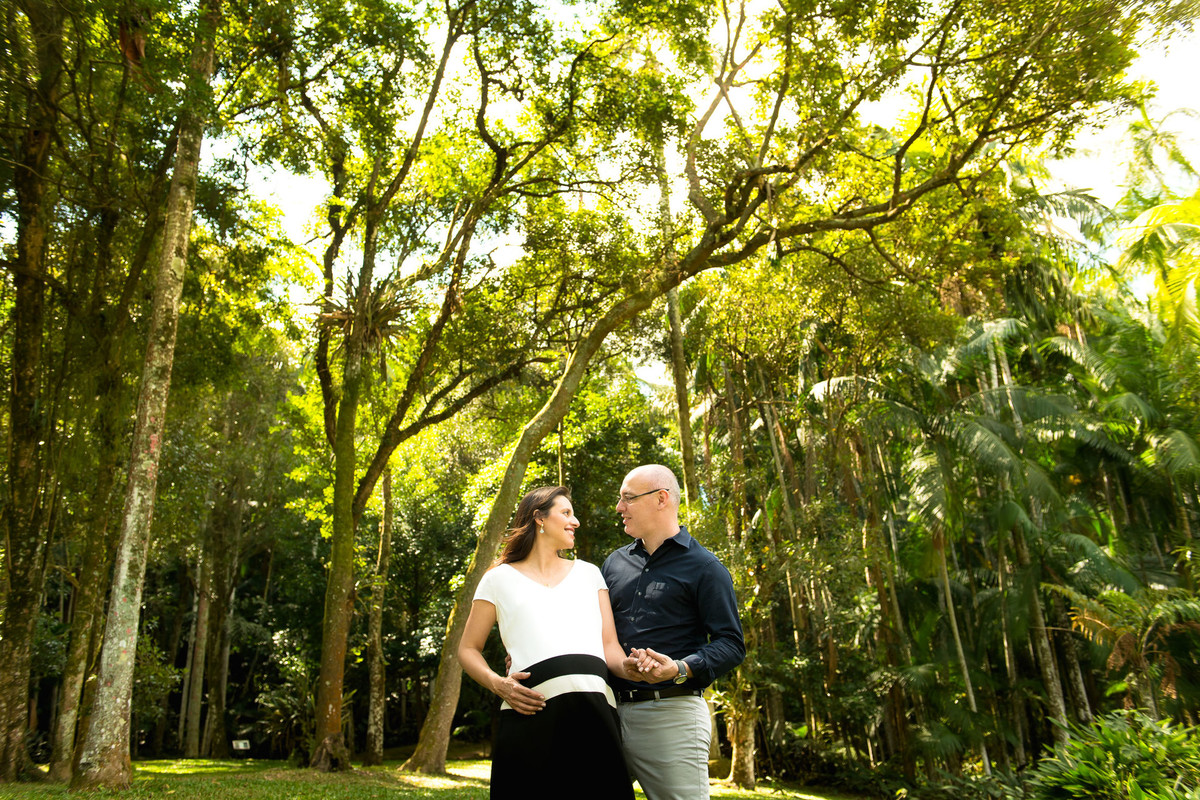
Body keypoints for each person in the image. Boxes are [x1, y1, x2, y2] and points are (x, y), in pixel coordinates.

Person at [458, 485, 637, 799]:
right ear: (539, 518)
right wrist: (498, 683)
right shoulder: (497, 579)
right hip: (530, 717)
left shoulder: (590, 574)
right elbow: (467, 649)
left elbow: (609, 645)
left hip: (595, 716)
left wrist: (630, 667)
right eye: (566, 513)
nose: (576, 521)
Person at [602, 464, 746, 800]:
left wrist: (679, 668)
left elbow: (731, 644)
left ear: (661, 499)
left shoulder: (706, 568)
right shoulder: (613, 564)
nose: (619, 508)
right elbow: (596, 631)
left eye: (627, 499)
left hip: (672, 715)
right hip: (608, 712)